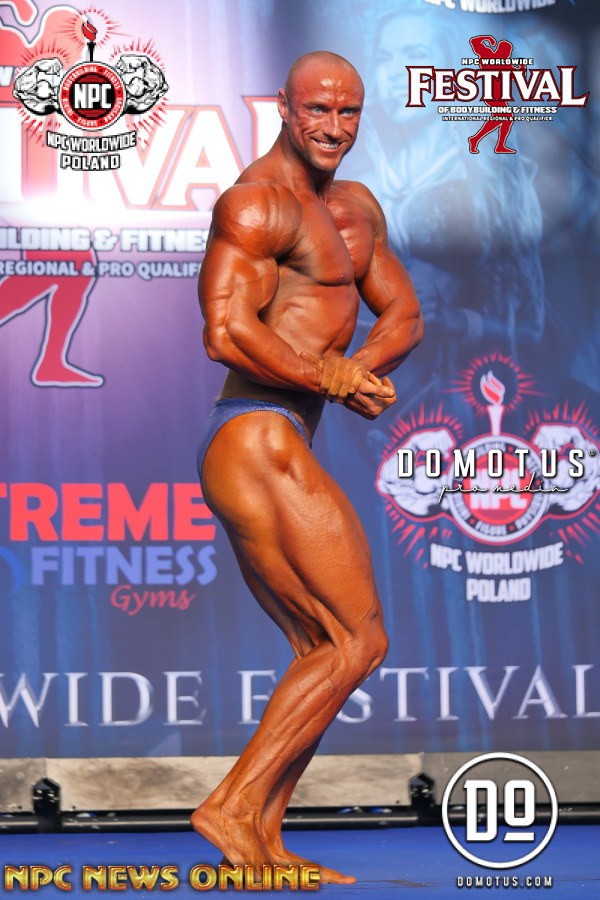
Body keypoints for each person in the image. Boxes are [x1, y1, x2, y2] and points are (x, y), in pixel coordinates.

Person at [191, 50, 422, 884]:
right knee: (360, 638)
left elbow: (404, 313)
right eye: (316, 109)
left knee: (321, 645)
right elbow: (226, 331)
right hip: (255, 433)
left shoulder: (355, 209)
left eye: (347, 111)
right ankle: (229, 807)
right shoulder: (255, 204)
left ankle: (263, 839)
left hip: (281, 432)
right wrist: (329, 377)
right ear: (284, 109)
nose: (332, 126)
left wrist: (360, 368)